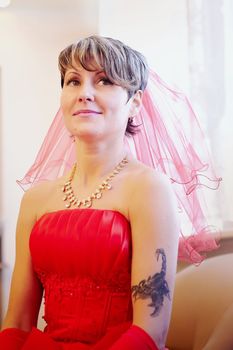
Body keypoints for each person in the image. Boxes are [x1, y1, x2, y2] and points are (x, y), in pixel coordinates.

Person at [0, 35, 221, 349]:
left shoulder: (149, 189)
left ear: (135, 103)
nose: (84, 94)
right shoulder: (35, 200)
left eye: (103, 81)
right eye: (73, 81)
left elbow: (150, 331)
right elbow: (17, 322)